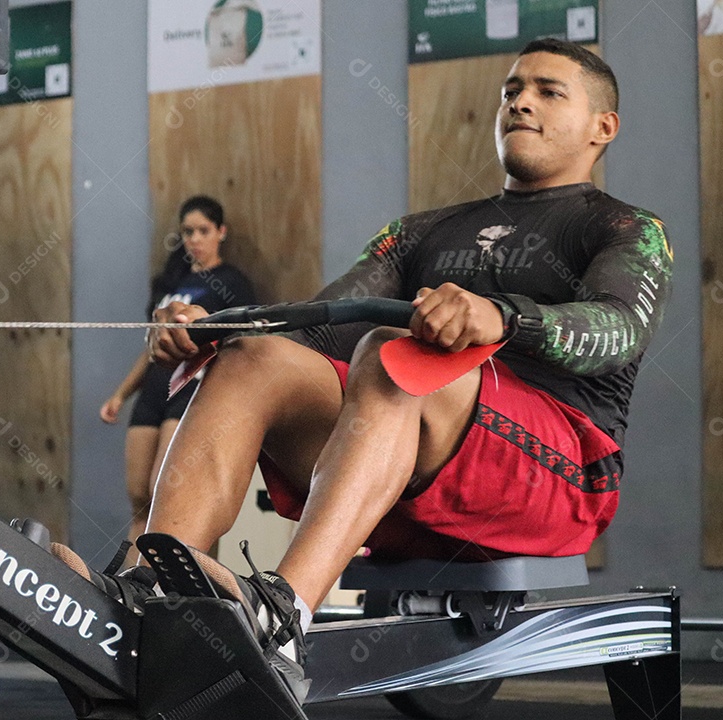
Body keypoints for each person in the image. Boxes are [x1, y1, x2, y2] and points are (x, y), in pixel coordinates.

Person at [61, 39, 674, 703]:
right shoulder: (417, 232)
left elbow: (619, 328)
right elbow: (323, 321)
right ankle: (148, 591)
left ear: (601, 128)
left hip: (558, 476)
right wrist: (214, 328)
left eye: (549, 91)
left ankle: (284, 614)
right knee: (255, 359)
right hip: (415, 463)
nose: (520, 101)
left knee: (393, 351)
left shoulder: (627, 228)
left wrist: (504, 317)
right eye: (511, 89)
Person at [98, 196, 255, 564]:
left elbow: (244, 342)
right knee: (139, 493)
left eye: (203, 231)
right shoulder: (172, 282)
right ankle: (130, 584)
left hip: (190, 384)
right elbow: (152, 345)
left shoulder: (232, 282)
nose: (195, 239)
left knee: (165, 491)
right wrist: (121, 394)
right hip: (154, 386)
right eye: (188, 232)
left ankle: (183, 586)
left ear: (221, 232)